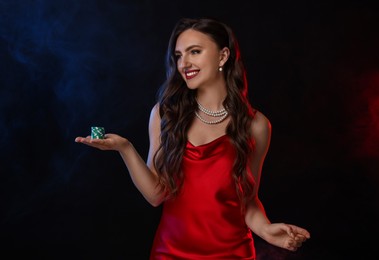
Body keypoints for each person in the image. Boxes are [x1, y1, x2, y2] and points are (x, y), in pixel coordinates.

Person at [75, 17, 310, 259]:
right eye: (178, 56)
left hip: (232, 254)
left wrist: (266, 230)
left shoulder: (256, 125)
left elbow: (247, 201)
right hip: (170, 252)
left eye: (194, 52)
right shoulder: (164, 114)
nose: (183, 63)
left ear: (222, 56)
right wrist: (125, 148)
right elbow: (156, 195)